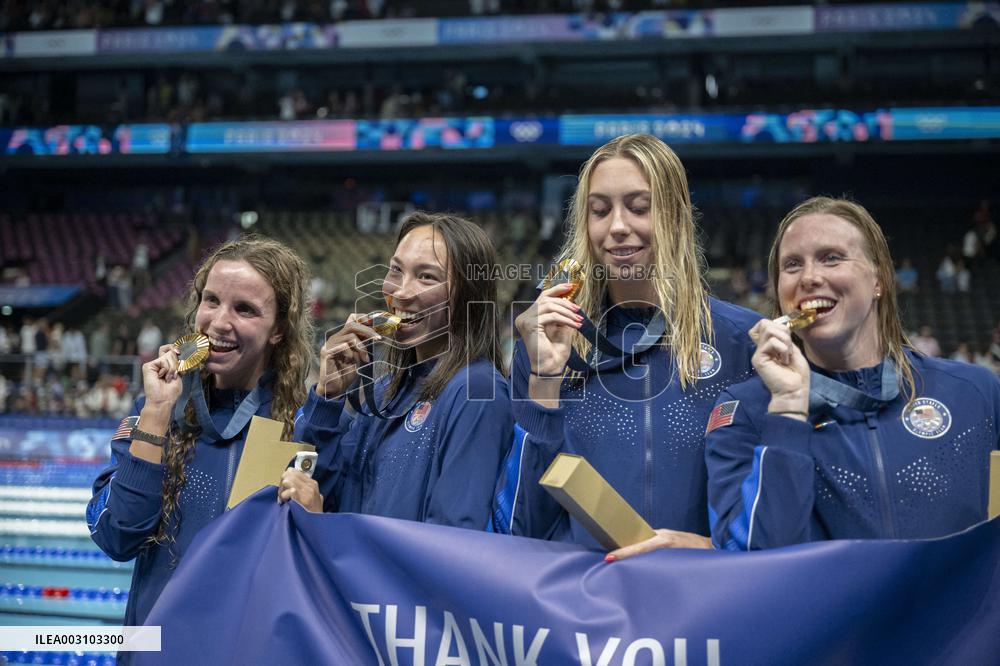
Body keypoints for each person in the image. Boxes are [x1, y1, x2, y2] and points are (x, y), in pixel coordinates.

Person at [493, 133, 759, 559]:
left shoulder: (743, 340)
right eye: (600, 211)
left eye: (639, 207)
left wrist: (709, 548)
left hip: (706, 603)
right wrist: (544, 383)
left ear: (677, 216)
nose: (617, 227)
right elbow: (518, 528)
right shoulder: (547, 341)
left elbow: (771, 524)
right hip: (582, 610)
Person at [706, 197, 1000, 550]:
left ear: (879, 278)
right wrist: (787, 408)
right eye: (793, 264)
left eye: (831, 258)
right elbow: (758, 563)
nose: (810, 277)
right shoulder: (746, 412)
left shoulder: (973, 392)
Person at [87, 236, 313, 633]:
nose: (219, 322)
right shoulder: (155, 409)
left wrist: (316, 521)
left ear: (278, 329)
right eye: (211, 301)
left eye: (244, 309)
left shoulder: (304, 424)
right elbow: (117, 537)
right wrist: (156, 415)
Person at [277, 212, 512, 530]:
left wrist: (324, 531)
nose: (400, 292)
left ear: (468, 293)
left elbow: (450, 542)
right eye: (396, 270)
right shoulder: (382, 391)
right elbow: (309, 488)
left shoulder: (478, 391)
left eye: (426, 277)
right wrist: (327, 398)